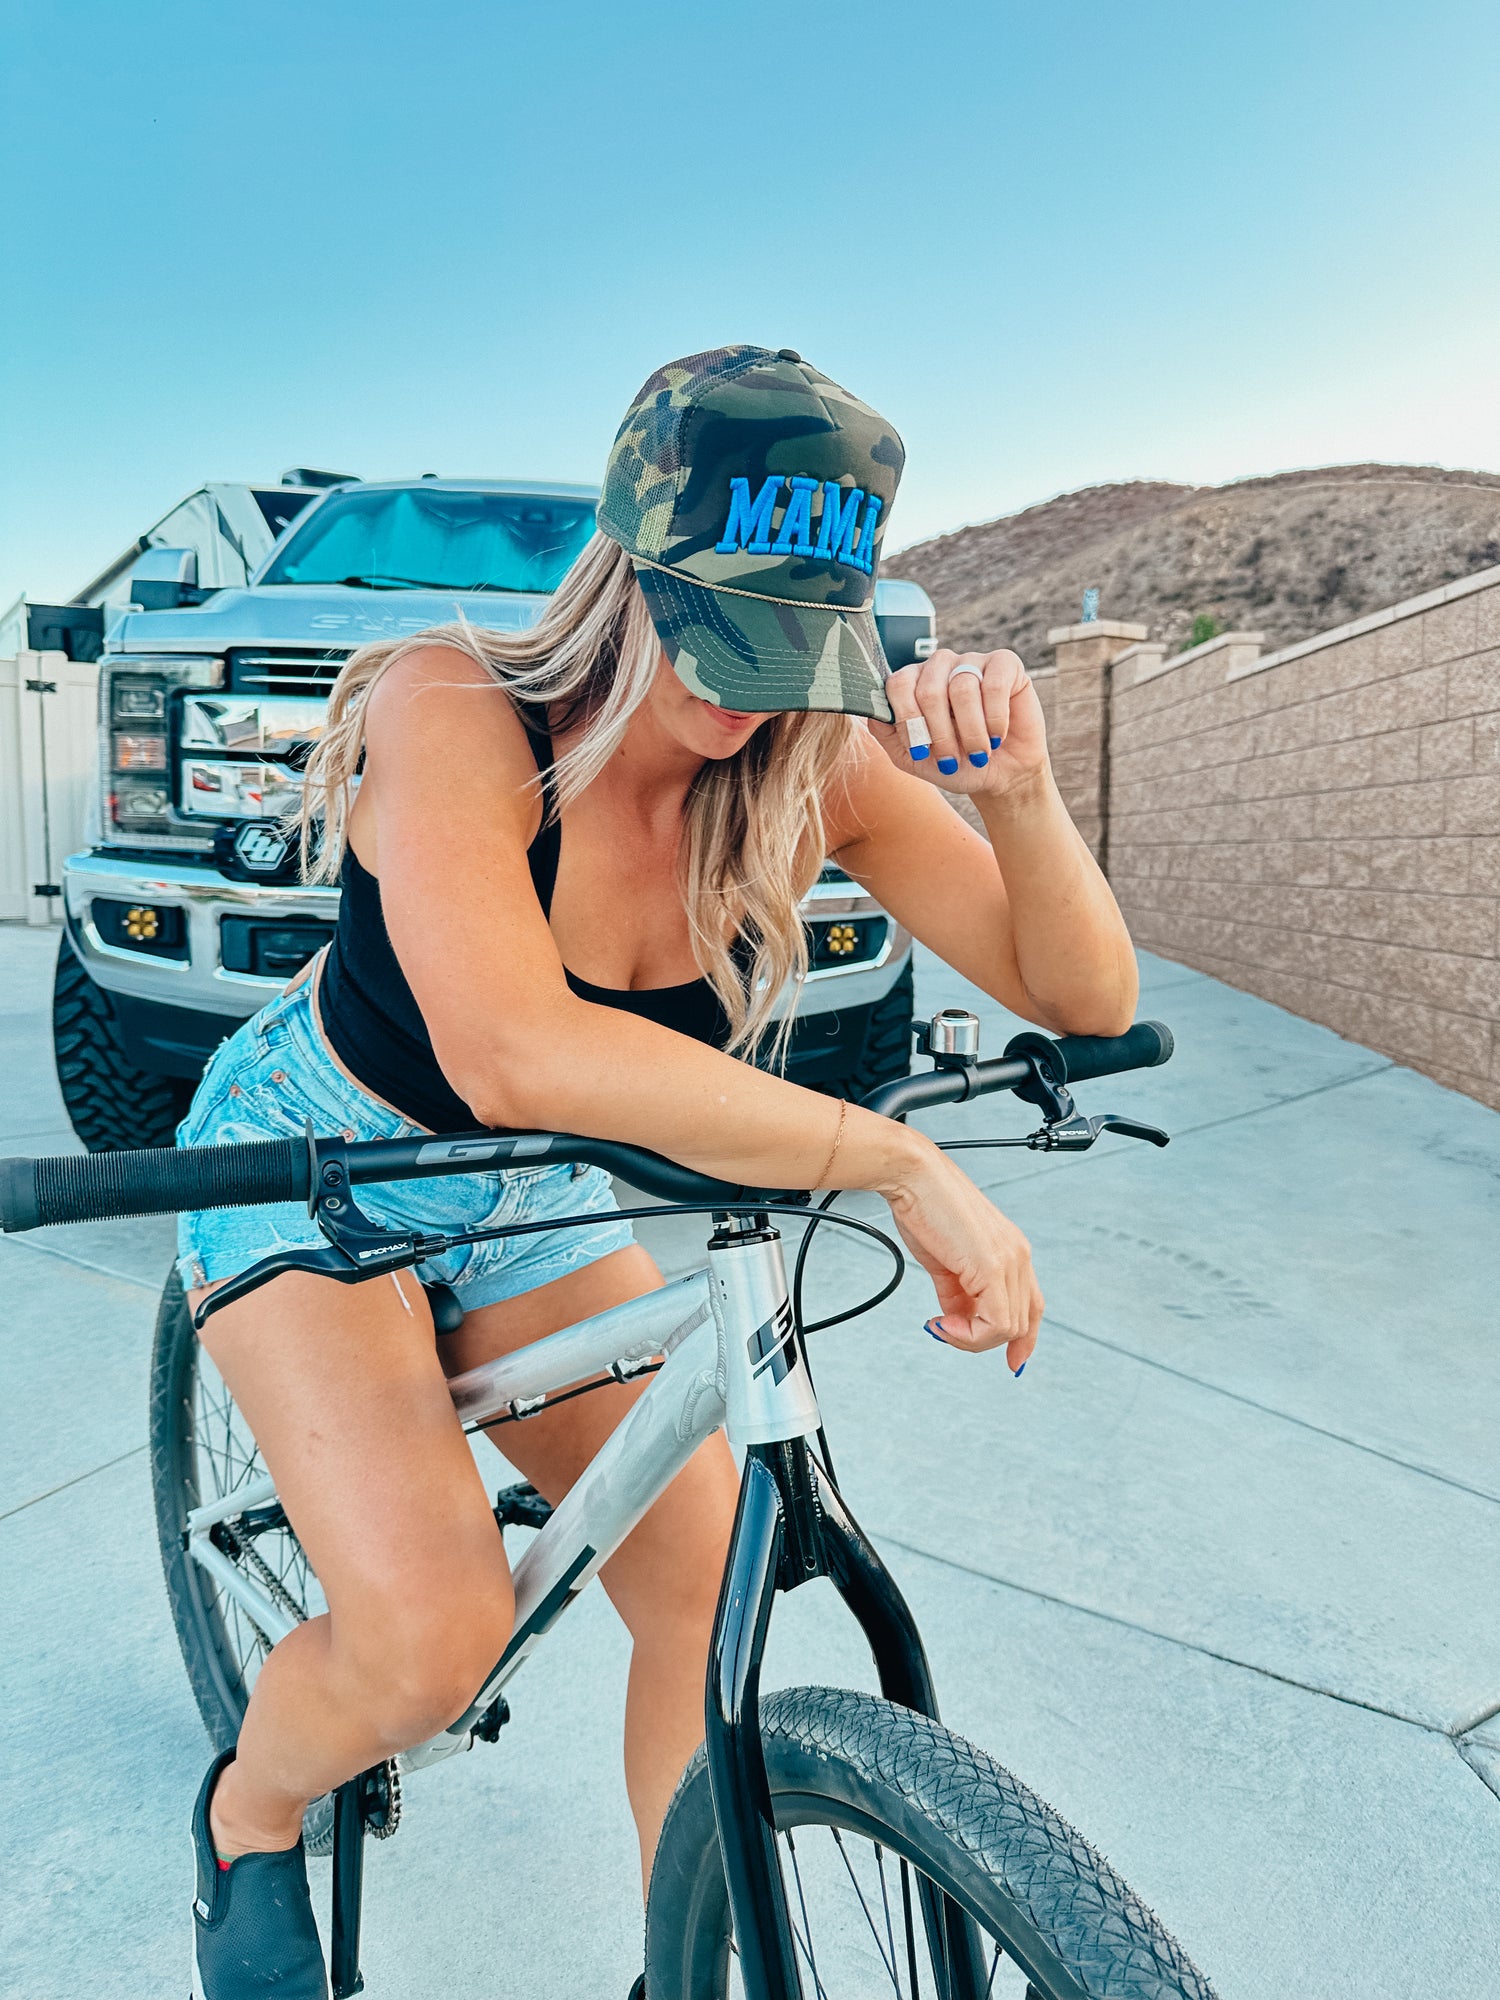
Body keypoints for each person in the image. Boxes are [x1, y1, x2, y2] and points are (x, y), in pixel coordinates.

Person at [177, 345, 1138, 1999]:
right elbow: (515, 1056)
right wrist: (889, 1157)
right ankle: (247, 1817)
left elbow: (1083, 993)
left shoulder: (805, 764)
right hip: (319, 1162)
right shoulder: (452, 704)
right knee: (429, 1643)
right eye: (715, 629)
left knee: (702, 1601)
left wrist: (1029, 798)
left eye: (788, 646)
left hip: (533, 1195)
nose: (745, 694)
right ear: (625, 561)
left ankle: (679, 1967)